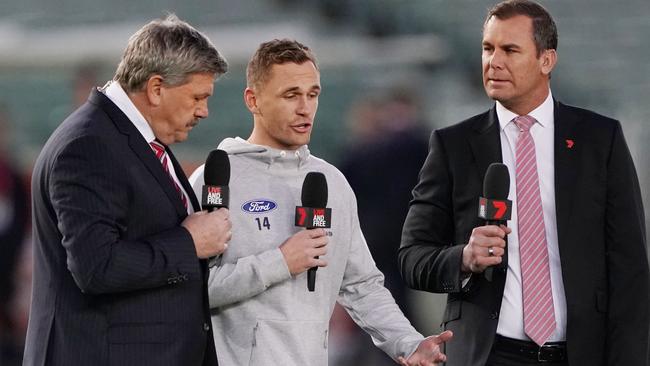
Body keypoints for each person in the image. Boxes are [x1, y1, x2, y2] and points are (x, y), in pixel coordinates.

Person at [398, 1, 649, 365]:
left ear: (546, 60)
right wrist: (464, 258)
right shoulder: (453, 145)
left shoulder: (600, 139)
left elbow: (630, 271)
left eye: (510, 50)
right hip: (490, 354)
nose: (493, 61)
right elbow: (411, 256)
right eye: (488, 48)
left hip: (580, 354)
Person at [189, 39, 452, 366]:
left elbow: (362, 286)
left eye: (312, 94)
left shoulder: (333, 183)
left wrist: (408, 343)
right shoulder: (215, 180)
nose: (305, 108)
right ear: (253, 100)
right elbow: (190, 289)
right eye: (291, 95)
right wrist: (280, 261)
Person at [23, 15, 231, 366]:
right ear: (156, 88)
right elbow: (96, 266)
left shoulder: (134, 138)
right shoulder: (89, 145)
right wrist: (189, 243)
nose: (204, 111)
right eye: (197, 97)